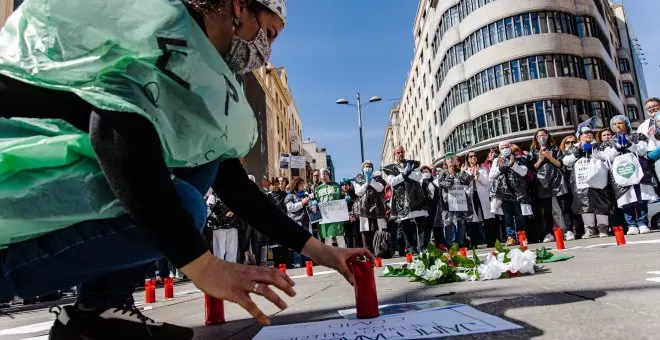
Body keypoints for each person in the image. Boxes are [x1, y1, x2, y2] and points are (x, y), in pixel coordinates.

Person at [0, 0, 372, 338]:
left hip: (48, 175)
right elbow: (115, 132)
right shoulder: (163, 28)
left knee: (200, 170)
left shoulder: (196, 65)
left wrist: (321, 251)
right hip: (14, 188)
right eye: (268, 33)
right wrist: (204, 267)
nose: (266, 51)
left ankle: (99, 310)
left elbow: (229, 179)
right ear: (239, 7)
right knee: (184, 207)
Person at [601, 115, 657, 235]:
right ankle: (631, 225)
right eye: (615, 124)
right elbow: (608, 157)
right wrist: (617, 147)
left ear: (626, 124)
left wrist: (629, 145)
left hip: (638, 171)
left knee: (640, 198)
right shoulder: (608, 142)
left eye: (620, 123)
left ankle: (642, 223)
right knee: (625, 199)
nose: (617, 126)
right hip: (620, 173)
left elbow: (642, 151)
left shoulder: (638, 136)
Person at [562, 125, 612, 238]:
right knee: (585, 203)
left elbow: (606, 157)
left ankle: (603, 228)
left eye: (590, 132)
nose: (588, 134)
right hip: (581, 181)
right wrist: (577, 152)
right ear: (580, 136)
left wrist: (593, 153)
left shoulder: (598, 146)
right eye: (585, 133)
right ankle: (590, 229)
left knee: (601, 203)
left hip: (598, 178)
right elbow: (566, 161)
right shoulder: (573, 147)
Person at [383, 146, 429, 254]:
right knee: (405, 226)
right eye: (398, 152)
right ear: (395, 154)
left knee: (421, 223)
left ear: (404, 152)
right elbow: (392, 182)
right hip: (401, 199)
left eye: (402, 152)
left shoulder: (413, 164)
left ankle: (423, 247)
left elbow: (418, 177)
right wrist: (404, 174)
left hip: (416, 197)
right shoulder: (390, 168)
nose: (400, 154)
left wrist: (408, 172)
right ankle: (410, 248)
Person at [528, 129, 571, 242]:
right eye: (539, 136)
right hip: (542, 181)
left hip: (557, 179)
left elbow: (560, 164)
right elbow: (533, 167)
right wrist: (541, 158)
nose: (542, 137)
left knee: (564, 206)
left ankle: (568, 230)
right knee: (546, 210)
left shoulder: (555, 148)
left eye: (543, 135)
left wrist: (550, 157)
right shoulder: (533, 151)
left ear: (547, 136)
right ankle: (548, 233)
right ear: (536, 138)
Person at [489, 141, 531, 246]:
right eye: (502, 148)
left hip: (518, 192)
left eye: (506, 147)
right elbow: (491, 175)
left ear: (510, 147)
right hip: (504, 193)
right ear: (499, 150)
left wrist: (513, 164)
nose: (504, 149)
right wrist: (500, 167)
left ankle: (521, 235)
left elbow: (524, 172)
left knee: (519, 215)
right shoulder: (496, 160)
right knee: (507, 216)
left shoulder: (519, 157)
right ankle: (510, 237)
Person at [434, 155, 472, 247]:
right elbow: (446, 185)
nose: (450, 160)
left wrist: (463, 172)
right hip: (448, 203)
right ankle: (450, 244)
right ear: (445, 162)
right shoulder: (442, 173)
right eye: (448, 158)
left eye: (452, 158)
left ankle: (461, 243)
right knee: (449, 223)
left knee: (461, 222)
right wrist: (450, 175)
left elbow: (467, 181)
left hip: (460, 201)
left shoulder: (459, 171)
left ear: (456, 161)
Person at [353, 161, 388, 253]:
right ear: (362, 169)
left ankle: (380, 251)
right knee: (365, 231)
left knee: (378, 229)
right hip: (364, 208)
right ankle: (368, 252)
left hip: (377, 207)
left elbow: (380, 188)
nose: (367, 168)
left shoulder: (376, 178)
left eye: (369, 166)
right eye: (365, 167)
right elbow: (358, 192)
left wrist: (371, 181)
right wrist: (366, 183)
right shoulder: (358, 179)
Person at [465, 151, 491, 248]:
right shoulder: (465, 170)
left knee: (487, 219)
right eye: (471, 156)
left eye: (475, 156)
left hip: (482, 196)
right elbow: (465, 184)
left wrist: (478, 174)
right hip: (471, 196)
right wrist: (471, 175)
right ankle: (474, 242)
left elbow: (487, 182)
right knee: (472, 220)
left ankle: (490, 240)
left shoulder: (483, 168)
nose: (473, 158)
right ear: (468, 159)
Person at [314, 169, 346, 247]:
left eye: (325, 173)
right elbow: (316, 201)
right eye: (322, 174)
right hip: (325, 217)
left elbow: (343, 197)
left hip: (337, 216)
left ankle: (343, 256)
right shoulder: (318, 189)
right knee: (327, 237)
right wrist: (314, 203)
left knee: (340, 236)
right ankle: (330, 258)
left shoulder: (337, 186)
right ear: (320, 177)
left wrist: (345, 199)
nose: (323, 175)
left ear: (329, 175)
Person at [285, 177, 311, 267]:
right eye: (301, 184)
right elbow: (290, 208)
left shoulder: (305, 195)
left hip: (306, 222)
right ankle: (297, 262)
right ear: (296, 185)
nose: (303, 186)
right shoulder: (289, 196)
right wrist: (302, 203)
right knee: (297, 243)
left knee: (307, 242)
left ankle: (307, 261)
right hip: (295, 222)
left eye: (303, 184)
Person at [420, 165, 442, 246]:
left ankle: (439, 244)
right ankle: (425, 246)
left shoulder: (434, 180)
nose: (425, 173)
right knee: (427, 228)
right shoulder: (421, 182)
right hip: (426, 208)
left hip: (435, 206)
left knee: (437, 227)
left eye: (427, 171)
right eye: (423, 172)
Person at [340, 178, 362, 249]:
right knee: (348, 238)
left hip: (354, 219)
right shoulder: (340, 196)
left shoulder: (355, 193)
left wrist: (353, 215)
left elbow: (358, 206)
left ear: (349, 185)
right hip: (345, 220)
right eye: (342, 185)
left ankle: (360, 255)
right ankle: (350, 256)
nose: (344, 186)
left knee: (357, 237)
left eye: (346, 184)